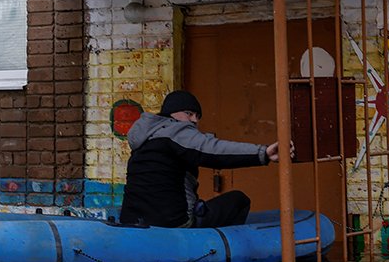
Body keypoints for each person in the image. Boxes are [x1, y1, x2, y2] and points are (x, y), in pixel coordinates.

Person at [119, 90, 285, 228]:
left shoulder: (142, 141)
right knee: (238, 199)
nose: (194, 120)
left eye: (197, 116)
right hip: (173, 224)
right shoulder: (176, 132)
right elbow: (215, 151)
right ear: (172, 114)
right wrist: (264, 153)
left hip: (132, 222)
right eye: (189, 114)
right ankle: (225, 250)